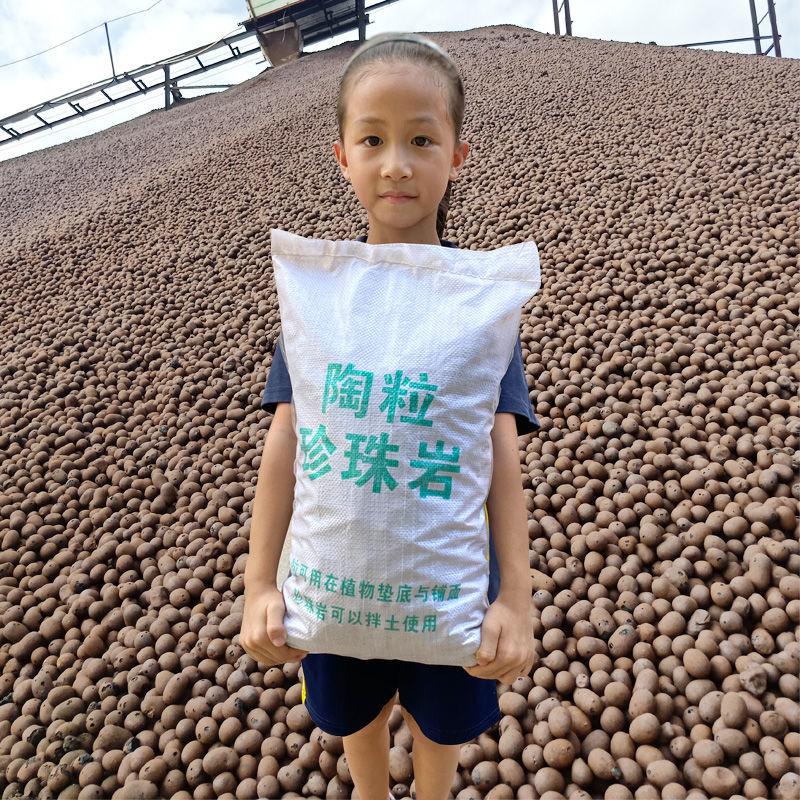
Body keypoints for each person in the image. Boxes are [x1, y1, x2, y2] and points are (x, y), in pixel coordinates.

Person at [241, 32, 540, 800]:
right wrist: (259, 585)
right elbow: (286, 446)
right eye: (372, 140)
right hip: (334, 575)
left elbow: (500, 460)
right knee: (352, 717)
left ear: (457, 155)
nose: (396, 163)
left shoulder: (481, 308)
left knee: (442, 722)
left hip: (445, 579)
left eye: (420, 139)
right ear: (342, 157)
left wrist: (513, 596)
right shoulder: (319, 305)